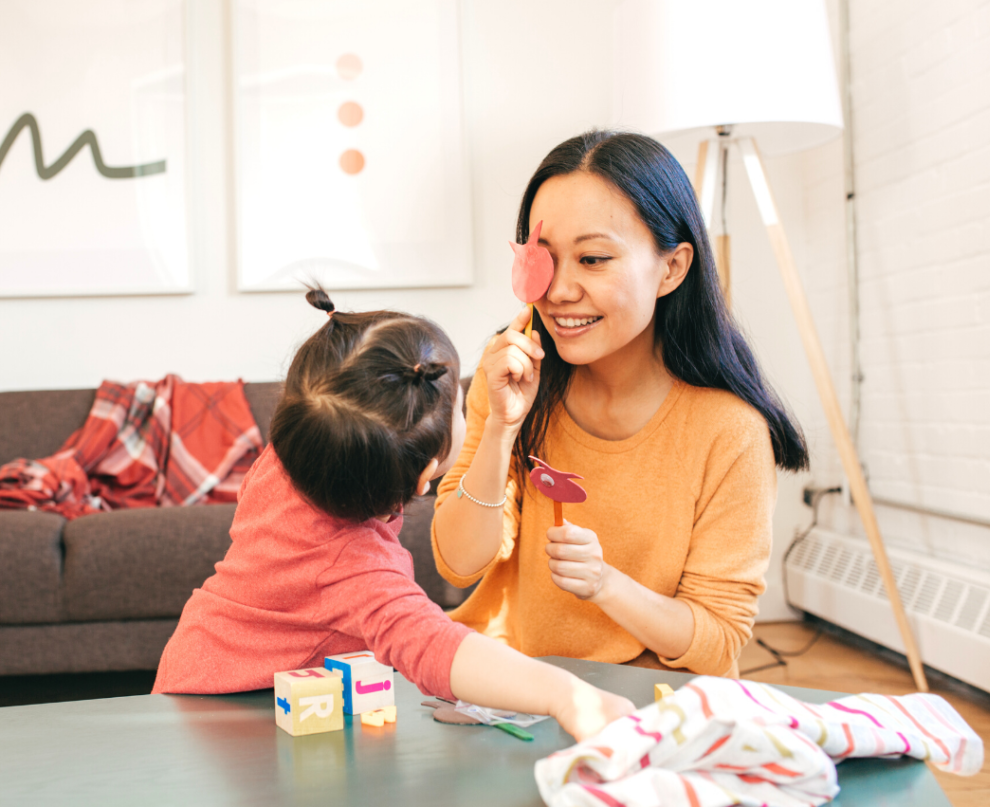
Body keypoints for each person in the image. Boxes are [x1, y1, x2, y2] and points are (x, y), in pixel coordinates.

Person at [153, 288, 634, 741]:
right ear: (425, 478)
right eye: (462, 407)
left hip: (193, 667)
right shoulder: (354, 566)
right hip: (229, 709)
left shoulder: (296, 450)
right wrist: (565, 694)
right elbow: (434, 647)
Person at [432, 131, 809, 678]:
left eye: (593, 258)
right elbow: (459, 562)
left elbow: (718, 641)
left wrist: (607, 585)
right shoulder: (511, 380)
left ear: (672, 268)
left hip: (651, 711)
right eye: (544, 258)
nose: (559, 290)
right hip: (516, 691)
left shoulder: (730, 431)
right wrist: (501, 430)